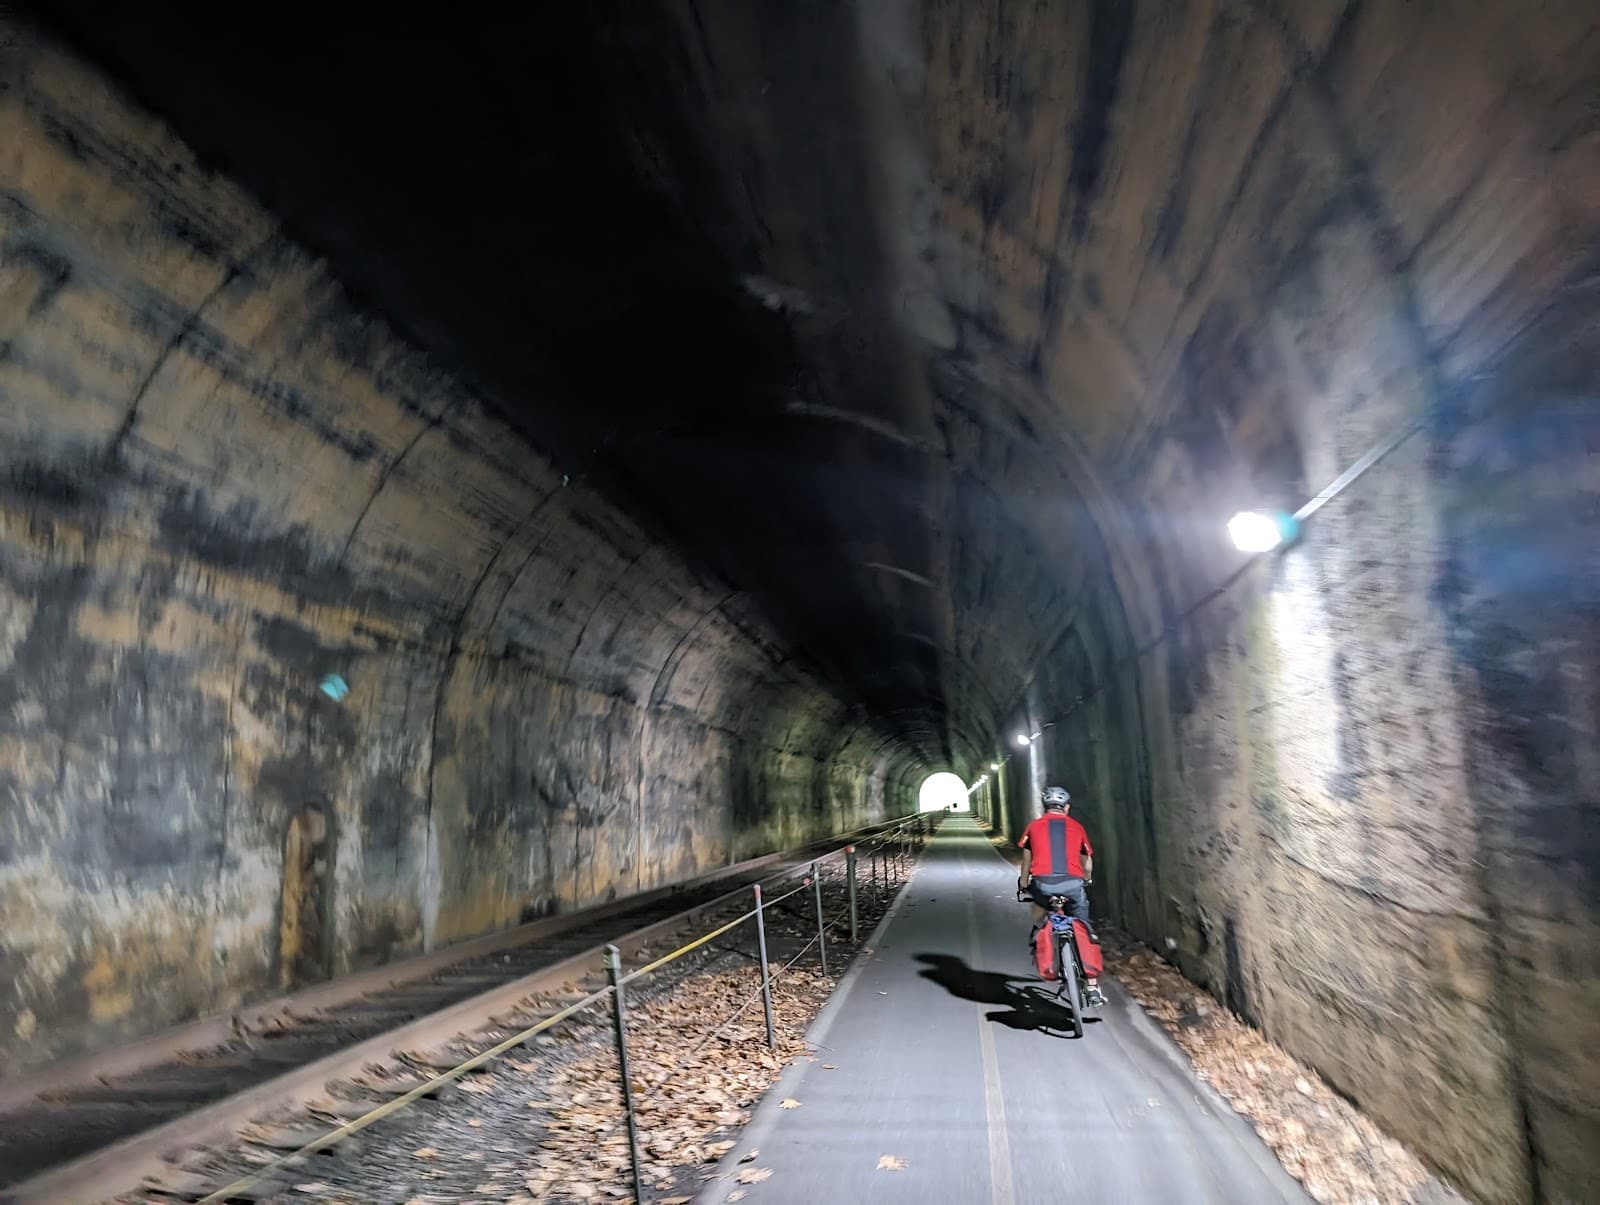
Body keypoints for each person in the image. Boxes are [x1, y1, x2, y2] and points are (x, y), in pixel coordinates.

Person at [1018, 786, 1103, 1004]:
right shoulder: (1077, 826)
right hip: (1073, 885)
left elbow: (1027, 860)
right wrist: (1086, 878)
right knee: (1083, 926)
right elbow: (1087, 862)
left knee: (1038, 906)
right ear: (1066, 807)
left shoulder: (1034, 827)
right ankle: (1092, 987)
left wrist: (1024, 882)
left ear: (1044, 808)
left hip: (1043, 885)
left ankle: (1039, 932)